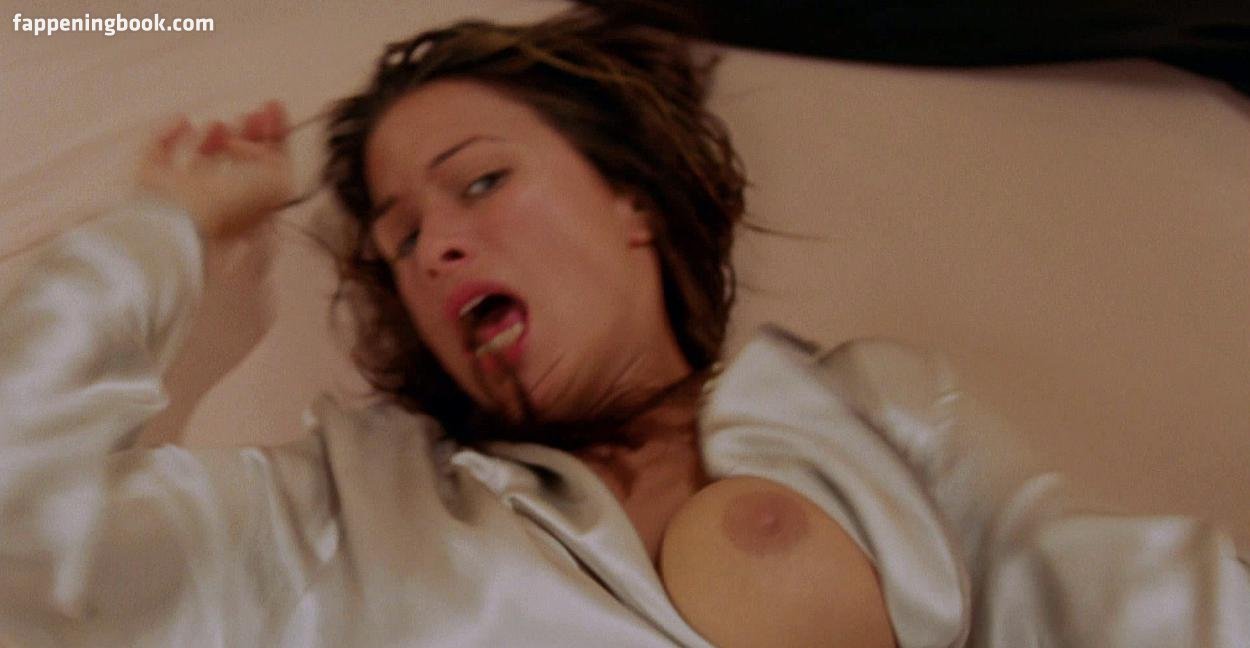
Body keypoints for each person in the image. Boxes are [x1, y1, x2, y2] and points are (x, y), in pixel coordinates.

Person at [1, 7, 1246, 648]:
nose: (433, 247)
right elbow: (22, 529)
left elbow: (1114, 597)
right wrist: (165, 239)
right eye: (397, 236)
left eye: (480, 181)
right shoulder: (339, 510)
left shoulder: (871, 404)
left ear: (632, 203)